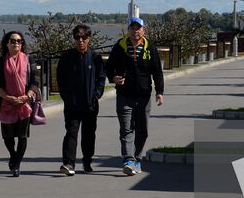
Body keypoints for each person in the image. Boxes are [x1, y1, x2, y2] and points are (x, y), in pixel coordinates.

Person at [106, 16, 164, 176]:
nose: (135, 31)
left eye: (138, 28)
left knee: (142, 130)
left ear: (143, 30)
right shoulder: (120, 46)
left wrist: (160, 92)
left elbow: (157, 71)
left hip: (144, 96)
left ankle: (137, 158)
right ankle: (128, 160)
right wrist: (113, 78)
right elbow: (108, 67)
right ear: (128, 30)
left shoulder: (149, 48)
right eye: (132, 28)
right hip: (124, 95)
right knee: (126, 129)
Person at [56, 24, 106, 175]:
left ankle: (87, 160)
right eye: (77, 38)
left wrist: (96, 94)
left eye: (84, 37)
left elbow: (101, 79)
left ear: (89, 39)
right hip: (72, 105)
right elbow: (61, 79)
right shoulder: (67, 58)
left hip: (90, 104)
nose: (81, 41)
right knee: (71, 133)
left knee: (89, 134)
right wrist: (67, 97)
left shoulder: (96, 58)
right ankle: (69, 163)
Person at [0, 30, 39, 177]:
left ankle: (17, 164)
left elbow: (35, 81)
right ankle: (12, 154)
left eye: (18, 41)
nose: (16, 43)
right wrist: (7, 97)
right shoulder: (1, 61)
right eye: (12, 41)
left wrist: (27, 96)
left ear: (22, 43)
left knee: (22, 136)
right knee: (8, 136)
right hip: (7, 103)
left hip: (25, 104)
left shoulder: (29, 60)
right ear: (7, 43)